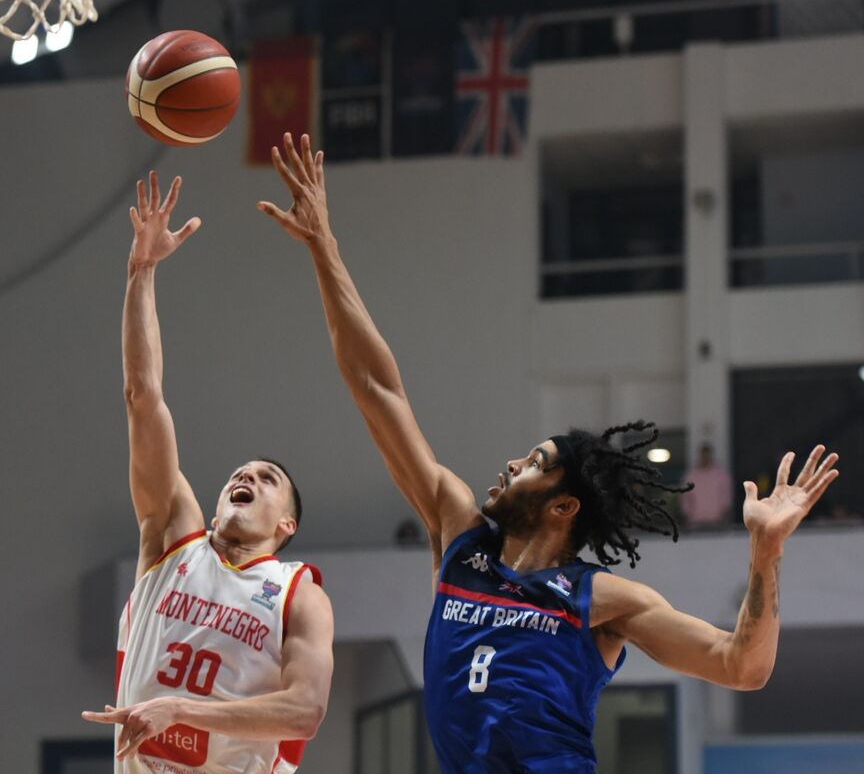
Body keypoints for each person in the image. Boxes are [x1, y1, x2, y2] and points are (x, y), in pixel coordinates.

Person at [259, 133, 842, 773]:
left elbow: (741, 667)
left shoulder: (603, 598)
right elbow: (376, 388)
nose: (513, 465)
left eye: (534, 463)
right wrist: (325, 249)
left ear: (564, 506)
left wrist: (766, 551)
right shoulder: (461, 541)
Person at [81, 172, 334, 773]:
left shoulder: (299, 594)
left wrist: (181, 711)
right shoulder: (173, 539)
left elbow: (304, 711)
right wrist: (140, 272)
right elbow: (143, 396)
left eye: (268, 479)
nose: (247, 477)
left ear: (288, 524)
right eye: (241, 473)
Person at [682, 442, 734, 529]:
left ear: (711, 455)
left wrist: (725, 515)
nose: (705, 457)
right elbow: (686, 498)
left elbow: (726, 496)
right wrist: (687, 516)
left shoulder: (721, 475)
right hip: (695, 521)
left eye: (707, 455)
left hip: (717, 520)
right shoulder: (691, 476)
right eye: (703, 455)